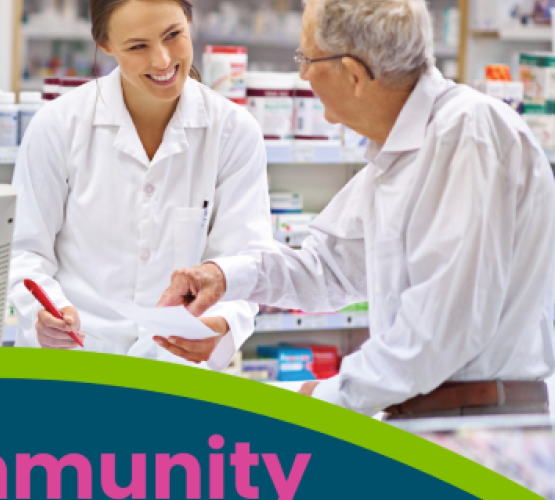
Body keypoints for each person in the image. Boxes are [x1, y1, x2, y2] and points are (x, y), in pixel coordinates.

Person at [158, 0, 555, 417]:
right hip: (429, 416)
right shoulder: (400, 152)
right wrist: (225, 276)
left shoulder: (465, 137)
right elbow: (326, 271)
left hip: (476, 423)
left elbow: (441, 333)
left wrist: (321, 398)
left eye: (307, 58)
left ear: (352, 73)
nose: (302, 74)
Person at [7, 0, 271, 369]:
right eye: (137, 46)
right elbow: (25, 251)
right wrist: (44, 312)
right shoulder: (58, 125)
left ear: (190, 23)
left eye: (173, 35)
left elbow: (246, 259)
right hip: (75, 362)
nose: (162, 60)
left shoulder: (232, 132)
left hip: (176, 369)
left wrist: (222, 322)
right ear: (105, 45)